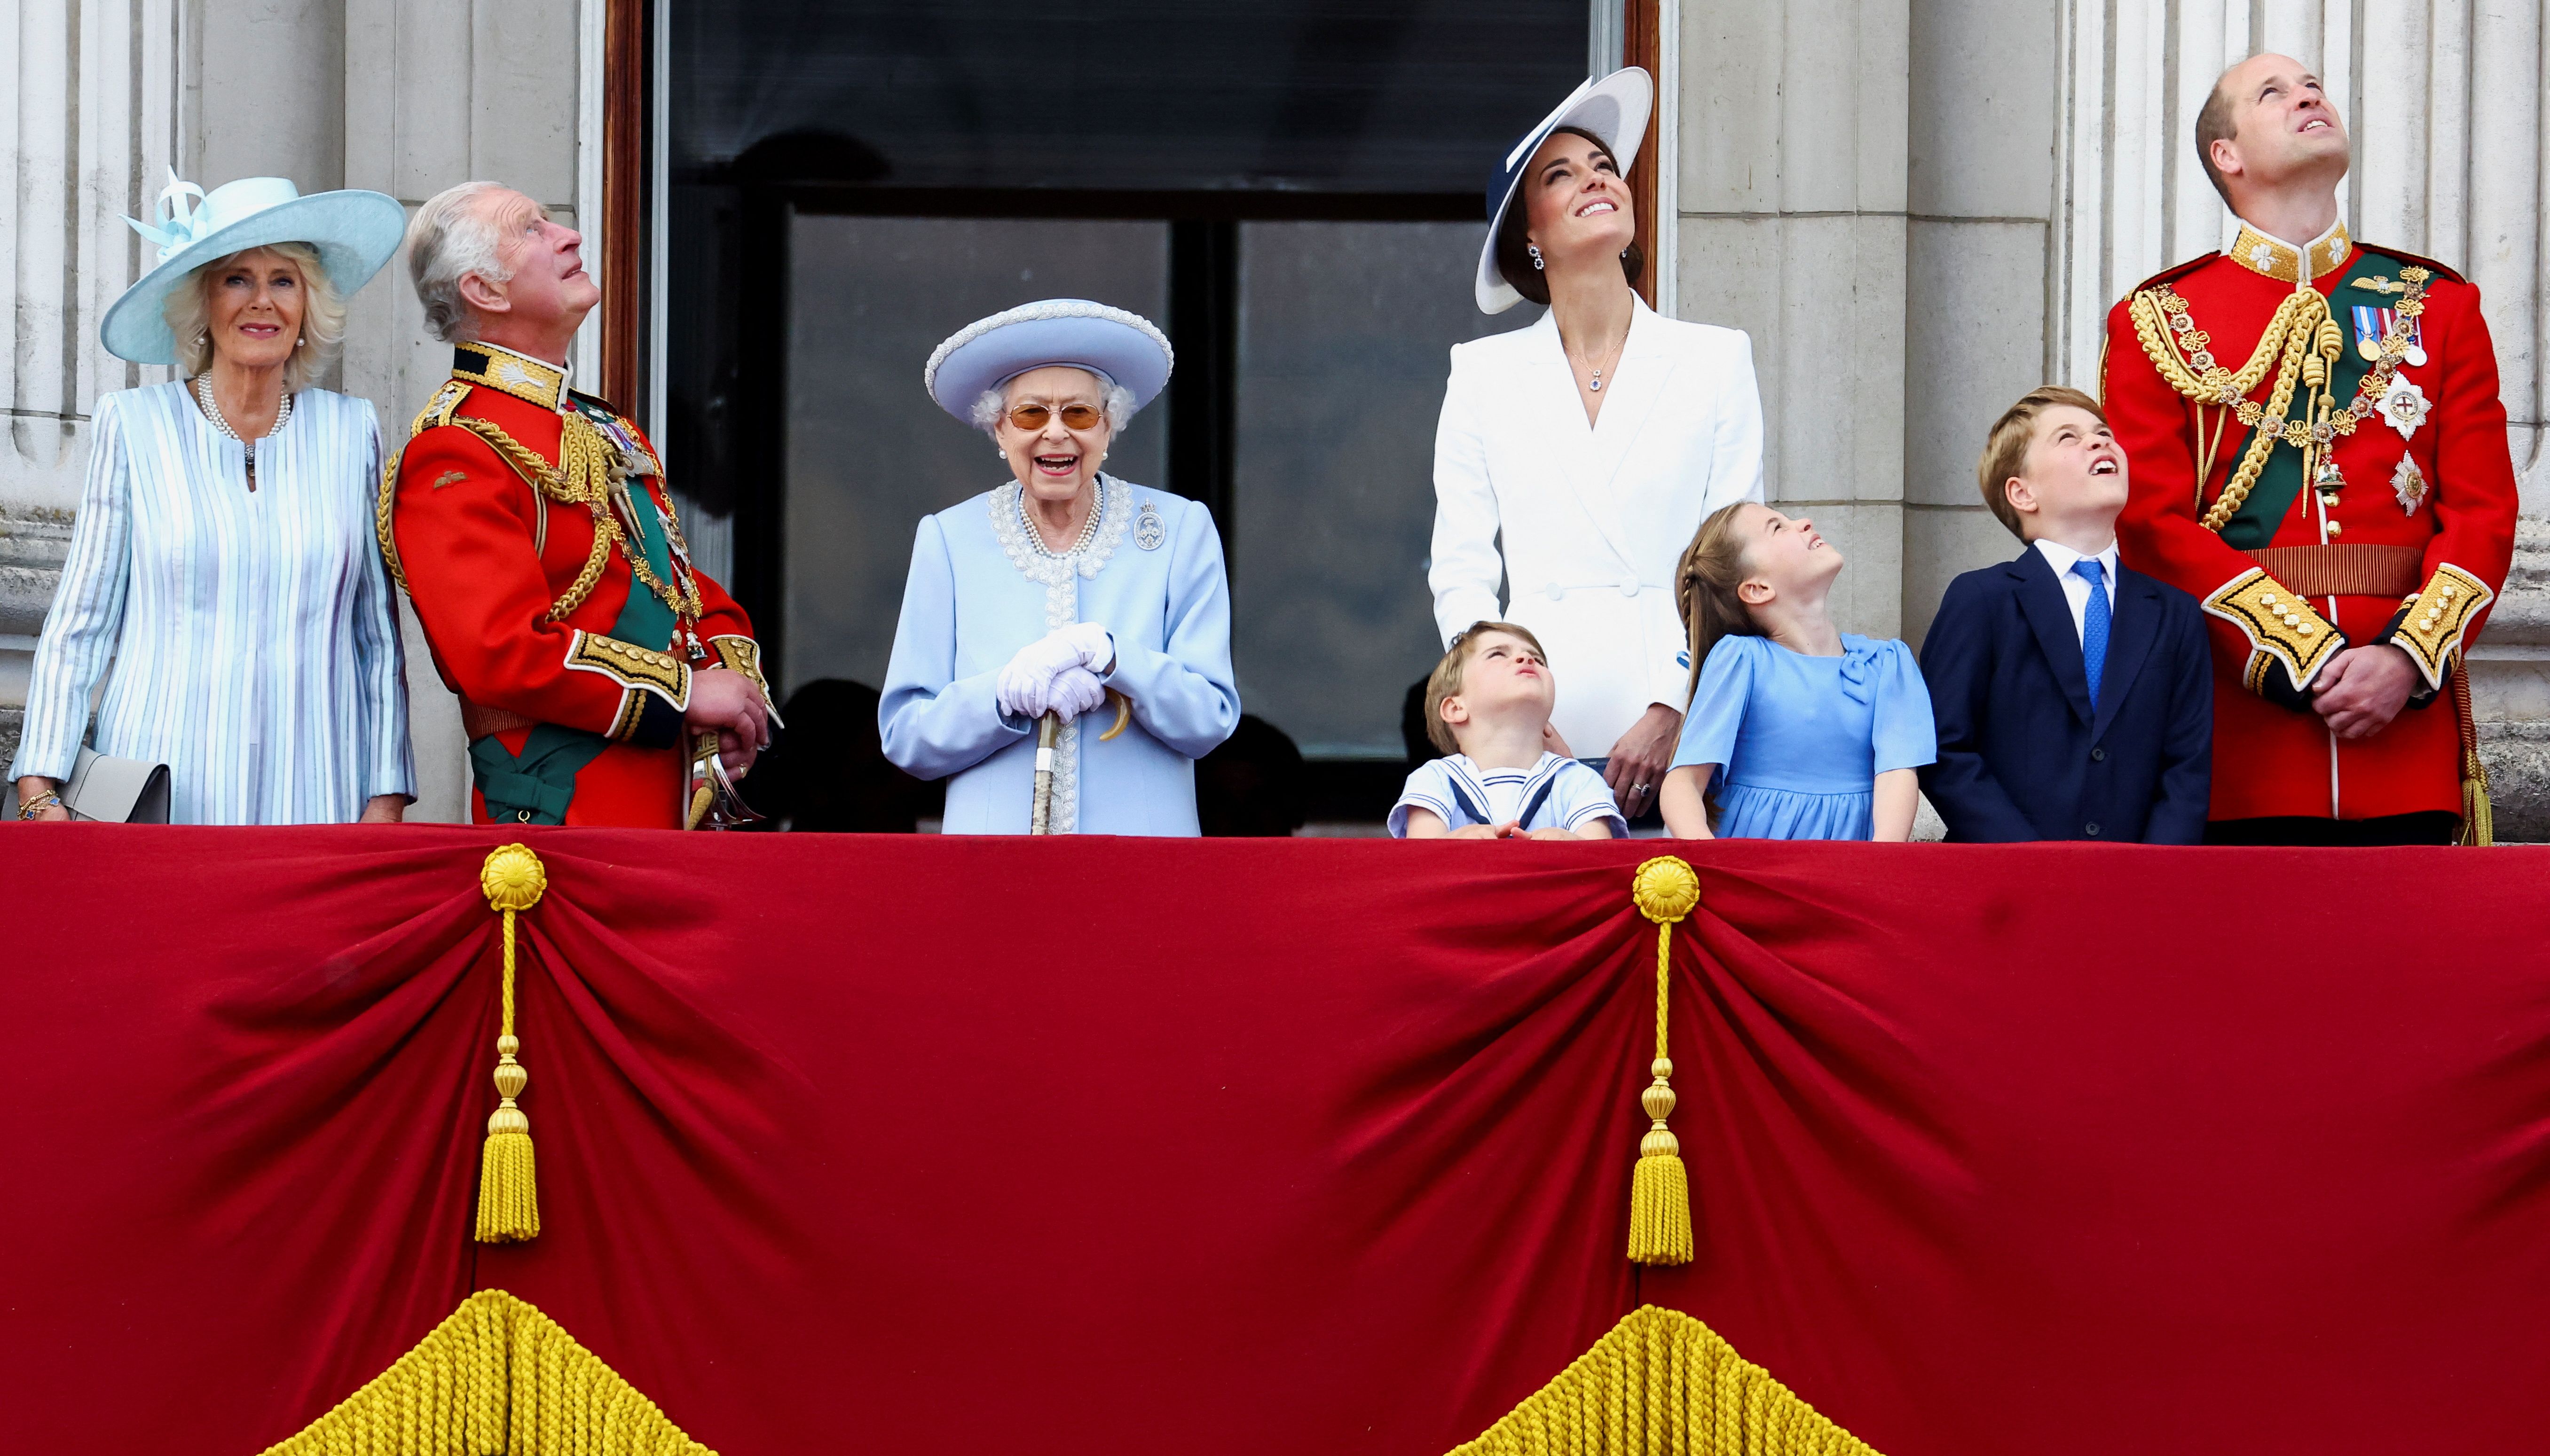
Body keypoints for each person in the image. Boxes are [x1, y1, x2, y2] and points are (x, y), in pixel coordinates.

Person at [2105, 54, 2518, 845]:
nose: (2306, 96)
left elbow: (2482, 513)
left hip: (2406, 735)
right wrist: (2304, 657)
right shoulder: (2156, 319)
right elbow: (2150, 525)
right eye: (2272, 93)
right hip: (2242, 746)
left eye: (2312, 87)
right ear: (2225, 156)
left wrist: (2403, 658)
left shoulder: (2437, 306)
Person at [11, 174, 414, 825]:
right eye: (237, 279)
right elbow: (81, 622)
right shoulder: (133, 425)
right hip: (161, 793)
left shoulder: (351, 432)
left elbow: (376, 636)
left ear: (310, 303)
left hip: (318, 795)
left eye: (284, 280)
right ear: (203, 301)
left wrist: (386, 795)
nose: (262, 301)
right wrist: (40, 789)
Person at [1430, 67, 1765, 829]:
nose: (1595, 180)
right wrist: (1502, 714)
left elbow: (1729, 560)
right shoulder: (1481, 374)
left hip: (1685, 730)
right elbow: (1461, 567)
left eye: (1604, 166)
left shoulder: (1715, 358)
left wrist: (1670, 705)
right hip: (1528, 733)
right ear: (1529, 233)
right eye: (1561, 173)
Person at [383, 180, 773, 829]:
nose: (570, 235)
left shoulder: (601, 425)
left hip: (669, 809)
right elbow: (500, 652)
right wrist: (684, 693)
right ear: (485, 290)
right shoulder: (454, 449)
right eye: (531, 229)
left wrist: (732, 690)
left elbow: (675, 587)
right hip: (560, 818)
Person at [881, 299, 1239, 834]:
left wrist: (1116, 659)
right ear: (999, 430)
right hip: (992, 868)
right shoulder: (949, 539)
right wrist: (1002, 694)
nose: (1055, 433)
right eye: (1030, 414)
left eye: (1079, 413)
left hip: (1142, 868)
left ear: (1109, 427)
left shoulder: (1179, 530)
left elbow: (1209, 718)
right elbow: (907, 736)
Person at [1920, 387, 2212, 843]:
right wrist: (2029, 858)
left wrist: (2157, 871)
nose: (2099, 442)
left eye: (2103, 433)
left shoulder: (2174, 613)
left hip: (2136, 883)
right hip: (2009, 878)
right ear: (2022, 492)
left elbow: (2187, 766)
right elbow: (1944, 746)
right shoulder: (1982, 599)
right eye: (2068, 437)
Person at [1658, 502, 1935, 841]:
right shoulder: (1742, 659)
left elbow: (1897, 776)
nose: (1804, 522)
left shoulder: (1889, 664)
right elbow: (1684, 782)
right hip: (1755, 869)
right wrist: (1712, 864)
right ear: (1757, 588)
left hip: (1847, 873)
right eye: (1777, 527)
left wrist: (1877, 870)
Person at [1391, 622, 1623, 840]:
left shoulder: (1579, 781)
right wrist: (1454, 845)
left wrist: (1573, 846)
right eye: (1498, 654)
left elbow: (1601, 861)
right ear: (1456, 708)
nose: (1527, 659)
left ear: (1547, 723)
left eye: (1538, 660)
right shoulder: (1434, 780)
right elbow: (1420, 860)